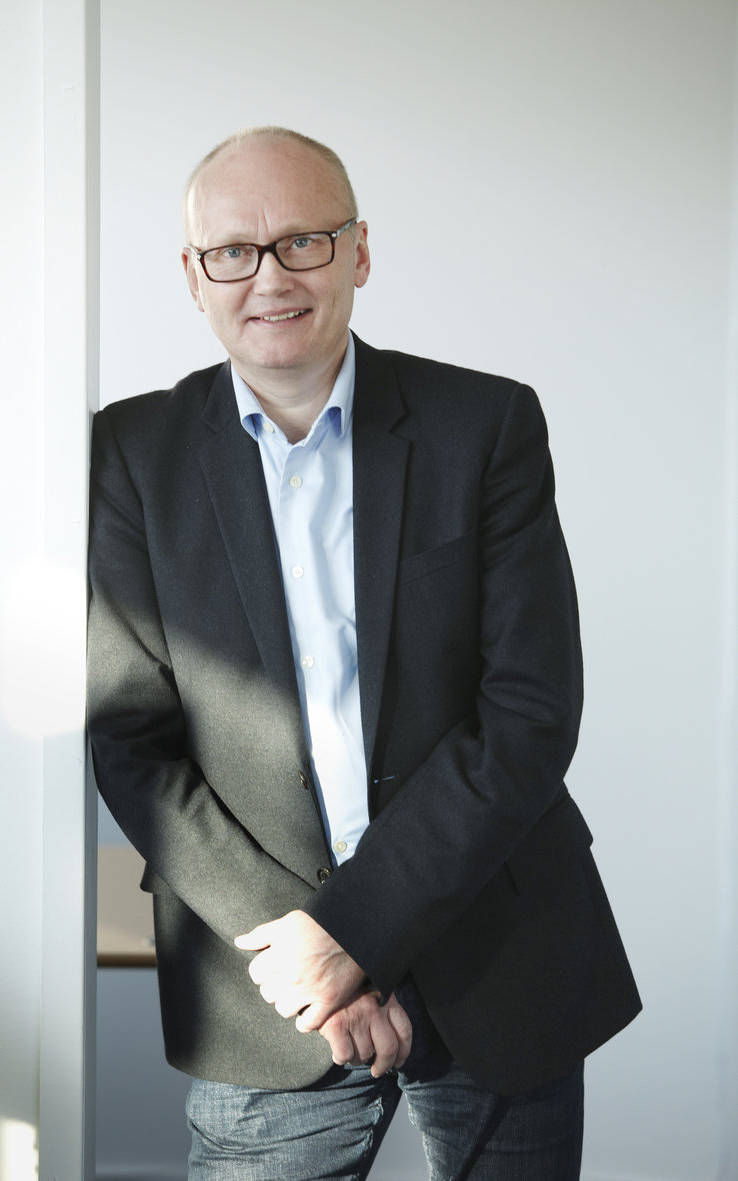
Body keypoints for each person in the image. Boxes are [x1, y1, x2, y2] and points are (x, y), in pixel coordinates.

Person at [87, 126, 641, 1180]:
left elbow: (527, 712)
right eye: (233, 251)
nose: (270, 277)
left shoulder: (486, 424)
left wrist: (358, 931)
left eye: (303, 240)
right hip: (267, 987)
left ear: (359, 251)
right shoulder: (127, 453)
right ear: (194, 277)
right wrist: (313, 957)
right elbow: (132, 743)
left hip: (493, 956)